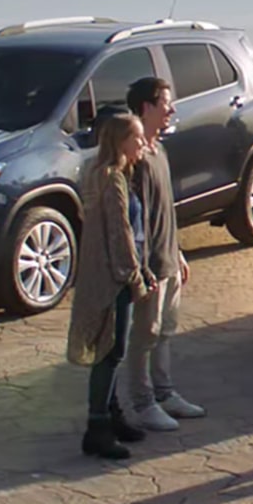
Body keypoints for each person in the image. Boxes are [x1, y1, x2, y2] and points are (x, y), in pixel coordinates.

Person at [65, 111, 159, 460]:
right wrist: (134, 277)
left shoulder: (111, 174)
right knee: (109, 351)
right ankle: (98, 425)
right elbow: (120, 236)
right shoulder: (110, 179)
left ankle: (113, 414)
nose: (141, 145)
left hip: (117, 273)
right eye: (135, 139)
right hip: (112, 279)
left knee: (112, 351)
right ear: (119, 142)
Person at [120, 77, 205, 432]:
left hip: (170, 259)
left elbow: (165, 209)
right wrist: (142, 267)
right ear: (146, 108)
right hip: (150, 264)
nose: (171, 110)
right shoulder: (135, 161)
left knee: (166, 330)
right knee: (145, 334)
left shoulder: (160, 152)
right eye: (165, 104)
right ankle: (143, 402)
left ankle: (166, 392)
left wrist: (179, 251)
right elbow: (136, 220)